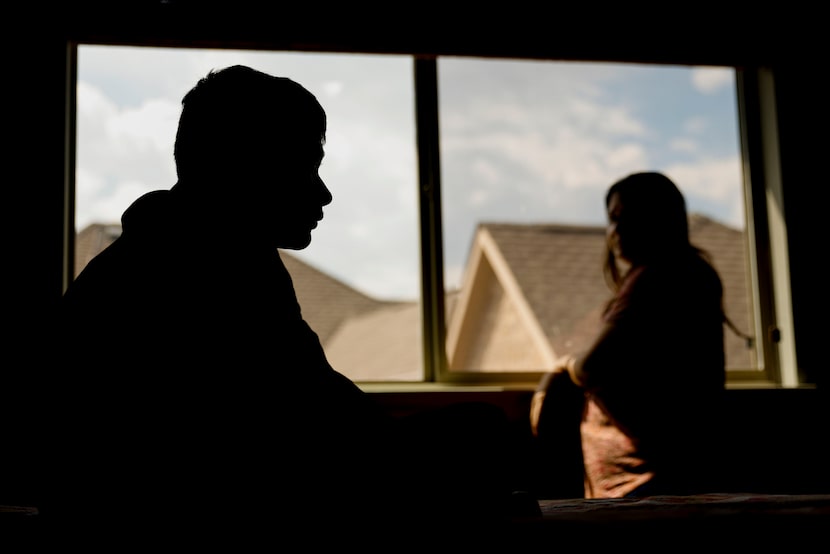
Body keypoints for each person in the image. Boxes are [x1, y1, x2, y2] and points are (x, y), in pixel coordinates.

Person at [50, 65, 516, 548]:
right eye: (306, 165)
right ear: (246, 163)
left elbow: (323, 415)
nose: (324, 192)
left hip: (119, 509)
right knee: (481, 433)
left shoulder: (176, 249)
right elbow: (325, 427)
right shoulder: (213, 265)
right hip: (160, 522)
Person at [530, 171, 734, 499]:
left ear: (662, 220)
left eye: (632, 216)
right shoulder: (686, 273)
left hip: (650, 484)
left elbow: (592, 367)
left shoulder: (659, 277)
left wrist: (565, 365)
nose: (618, 229)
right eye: (613, 218)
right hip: (645, 483)